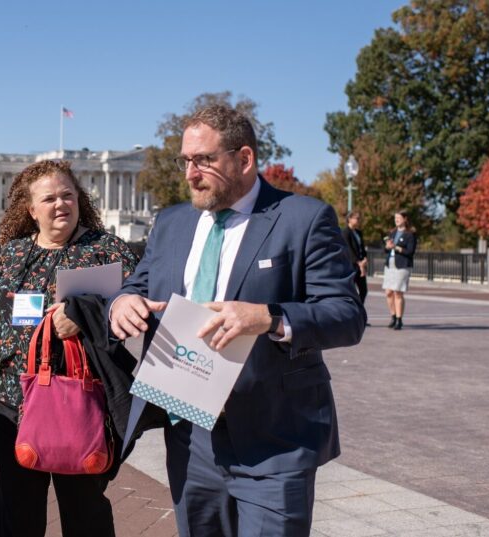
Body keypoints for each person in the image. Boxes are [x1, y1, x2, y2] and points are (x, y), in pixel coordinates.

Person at [109, 104, 365, 536]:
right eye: (185, 161)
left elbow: (346, 315)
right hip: (190, 435)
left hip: (274, 437)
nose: (191, 173)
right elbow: (139, 284)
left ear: (244, 159)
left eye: (204, 160)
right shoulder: (171, 223)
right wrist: (122, 302)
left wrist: (268, 317)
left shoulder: (304, 219)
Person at [0, 159, 138, 537]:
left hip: (80, 404)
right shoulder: (13, 253)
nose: (61, 204)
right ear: (31, 209)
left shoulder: (107, 250)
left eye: (68, 195)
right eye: (49, 198)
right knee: (17, 513)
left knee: (85, 513)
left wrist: (88, 314)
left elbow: (137, 308)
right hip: (10, 405)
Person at [383, 210, 416, 330]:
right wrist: (387, 247)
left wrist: (396, 247)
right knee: (388, 292)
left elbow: (410, 252)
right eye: (395, 217)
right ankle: (393, 315)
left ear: (405, 219)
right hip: (390, 265)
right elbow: (386, 249)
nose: (396, 220)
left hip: (402, 266)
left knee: (398, 292)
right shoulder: (392, 232)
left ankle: (399, 319)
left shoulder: (410, 234)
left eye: (398, 218)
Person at [342, 210, 369, 312]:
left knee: (363, 290)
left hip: (361, 265)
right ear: (349, 219)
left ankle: (359, 311)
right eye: (356, 218)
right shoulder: (345, 232)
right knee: (350, 290)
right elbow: (349, 249)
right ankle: (351, 312)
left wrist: (365, 259)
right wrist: (358, 262)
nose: (358, 220)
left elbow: (361, 247)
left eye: (359, 218)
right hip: (351, 266)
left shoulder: (358, 232)